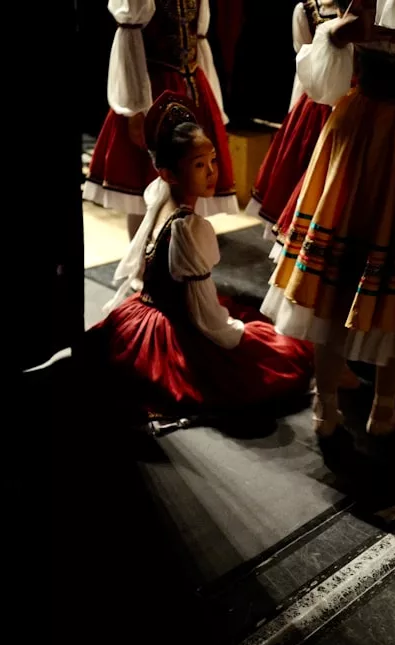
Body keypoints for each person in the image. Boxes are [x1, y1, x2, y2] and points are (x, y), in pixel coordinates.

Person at [261, 0, 395, 437]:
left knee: (340, 272)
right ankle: (382, 408)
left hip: (369, 126)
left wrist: (349, 34)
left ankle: (326, 408)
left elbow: (337, 52)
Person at [90, 93, 313, 416]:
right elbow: (207, 316)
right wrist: (237, 334)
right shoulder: (188, 228)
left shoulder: (160, 196)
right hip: (178, 324)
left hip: (150, 306)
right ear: (168, 173)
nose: (211, 172)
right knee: (279, 356)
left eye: (212, 161)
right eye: (198, 165)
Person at [84, 0, 237, 242]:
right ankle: (142, 259)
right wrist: (135, 109)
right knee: (143, 182)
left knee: (189, 177)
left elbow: (200, 40)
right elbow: (128, 40)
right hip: (153, 90)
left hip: (193, 85)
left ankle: (179, 254)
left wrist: (214, 104)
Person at [247, 1, 347, 251]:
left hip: (353, 108)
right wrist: (293, 120)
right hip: (317, 108)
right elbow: (304, 68)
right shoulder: (307, 10)